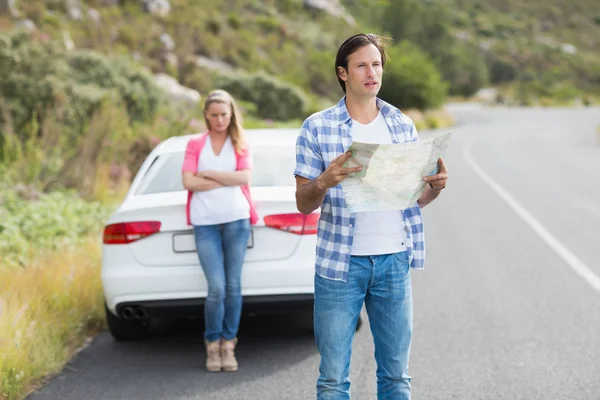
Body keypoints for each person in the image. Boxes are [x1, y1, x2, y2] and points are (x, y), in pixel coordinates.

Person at [294, 33, 449, 399]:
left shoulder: (401, 124)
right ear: (343, 73)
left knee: (396, 377)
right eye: (362, 64)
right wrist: (325, 180)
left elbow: (411, 200)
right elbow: (303, 202)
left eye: (376, 64)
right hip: (339, 265)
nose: (371, 72)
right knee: (333, 379)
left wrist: (436, 187)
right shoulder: (316, 127)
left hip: (394, 260)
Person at [181, 89, 258, 372]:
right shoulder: (195, 144)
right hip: (205, 223)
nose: (219, 120)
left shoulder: (239, 143)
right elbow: (188, 182)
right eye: (214, 115)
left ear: (231, 114)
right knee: (215, 288)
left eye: (224, 114)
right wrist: (228, 180)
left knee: (233, 285)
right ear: (206, 116)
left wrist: (209, 173)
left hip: (237, 220)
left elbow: (245, 177)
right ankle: (212, 344)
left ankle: (229, 344)